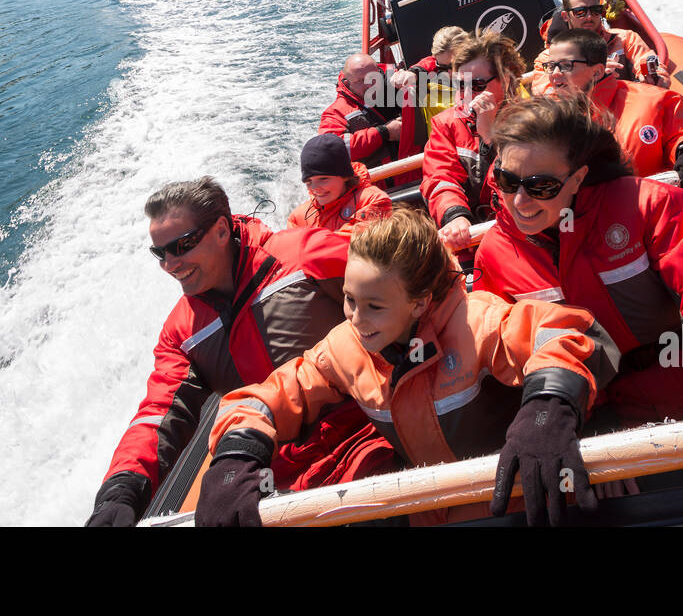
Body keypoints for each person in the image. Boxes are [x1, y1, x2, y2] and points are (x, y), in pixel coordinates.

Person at [197, 207, 621, 527]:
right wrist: (235, 457)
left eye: (374, 306)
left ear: (419, 303)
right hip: (430, 512)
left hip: (523, 505)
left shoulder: (478, 323)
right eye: (349, 299)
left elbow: (566, 335)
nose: (355, 319)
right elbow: (272, 396)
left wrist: (545, 411)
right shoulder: (347, 346)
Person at [473, 97, 683, 467]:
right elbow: (507, 354)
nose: (519, 200)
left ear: (577, 178)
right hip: (604, 426)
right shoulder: (494, 254)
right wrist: (578, 425)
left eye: (541, 186)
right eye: (507, 181)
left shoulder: (652, 205)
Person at [85, 177, 393, 526]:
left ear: (220, 230)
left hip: (368, 429)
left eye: (182, 245)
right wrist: (120, 491)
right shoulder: (182, 332)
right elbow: (159, 414)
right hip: (272, 462)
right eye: (160, 253)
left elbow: (402, 283)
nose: (170, 264)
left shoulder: (303, 256)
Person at [533, 27, 683, 202]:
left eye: (566, 65)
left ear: (597, 72)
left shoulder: (653, 100)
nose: (555, 74)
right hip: (586, 223)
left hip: (658, 209)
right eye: (551, 66)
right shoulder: (546, 121)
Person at [420, 30, 525, 250]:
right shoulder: (446, 124)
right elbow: (440, 177)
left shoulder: (534, 117)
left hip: (527, 229)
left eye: (476, 85)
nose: (467, 94)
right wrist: (455, 215)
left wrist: (490, 137)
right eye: (461, 85)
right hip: (475, 237)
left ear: (505, 80)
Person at [319, 53, 423, 179]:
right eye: (360, 81)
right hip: (382, 186)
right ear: (347, 82)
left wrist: (415, 72)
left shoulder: (395, 77)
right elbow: (331, 151)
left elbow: (439, 59)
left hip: (420, 171)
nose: (369, 85)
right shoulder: (336, 113)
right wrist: (384, 132)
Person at [547, 0, 655, 81]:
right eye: (580, 12)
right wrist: (589, 77)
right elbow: (546, 92)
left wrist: (649, 74)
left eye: (595, 10)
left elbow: (644, 59)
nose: (589, 17)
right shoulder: (549, 57)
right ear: (565, 16)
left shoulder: (625, 38)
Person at [287, 133, 393, 233]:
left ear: (345, 176)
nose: (314, 188)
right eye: (308, 181)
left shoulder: (374, 201)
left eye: (323, 178)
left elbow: (356, 246)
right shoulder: (297, 219)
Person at [409, 26, 469, 130]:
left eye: (454, 65)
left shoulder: (489, 71)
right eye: (442, 67)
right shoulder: (433, 72)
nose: (450, 72)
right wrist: (414, 72)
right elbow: (428, 63)